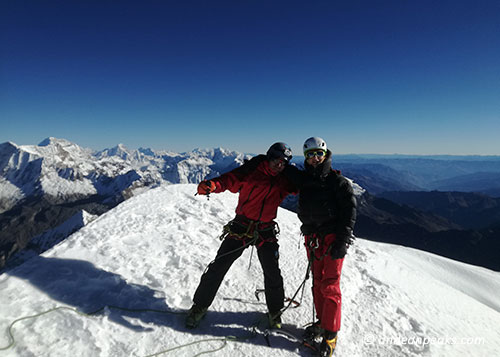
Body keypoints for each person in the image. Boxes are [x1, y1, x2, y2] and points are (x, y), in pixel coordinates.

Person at [186, 142, 297, 329]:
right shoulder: (251, 170)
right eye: (277, 161)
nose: (280, 165)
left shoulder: (285, 178)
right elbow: (229, 180)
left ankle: (275, 311)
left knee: (272, 273)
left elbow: (306, 188)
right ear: (269, 158)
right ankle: (199, 306)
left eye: (283, 163)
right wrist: (212, 185)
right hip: (242, 225)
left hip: (265, 229)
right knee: (219, 266)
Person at [283, 137, 357, 357]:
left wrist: (342, 241)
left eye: (318, 154)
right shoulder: (304, 179)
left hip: (332, 238)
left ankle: (331, 333)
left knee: (330, 284)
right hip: (313, 238)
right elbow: (286, 171)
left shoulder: (338, 183)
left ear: (325, 155)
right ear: (305, 157)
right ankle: (322, 322)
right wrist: (273, 158)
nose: (315, 159)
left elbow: (349, 213)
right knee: (317, 281)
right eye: (310, 155)